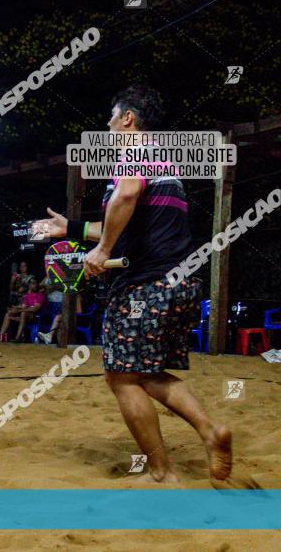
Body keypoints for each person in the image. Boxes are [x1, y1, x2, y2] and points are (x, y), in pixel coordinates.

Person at [35, 85, 232, 483]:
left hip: (146, 286)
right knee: (146, 373)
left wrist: (102, 248)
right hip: (178, 283)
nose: (107, 126)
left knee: (121, 377)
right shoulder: (163, 162)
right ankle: (213, 434)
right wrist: (70, 228)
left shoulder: (136, 151)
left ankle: (162, 472)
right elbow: (125, 220)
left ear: (128, 118)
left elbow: (125, 196)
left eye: (111, 117)